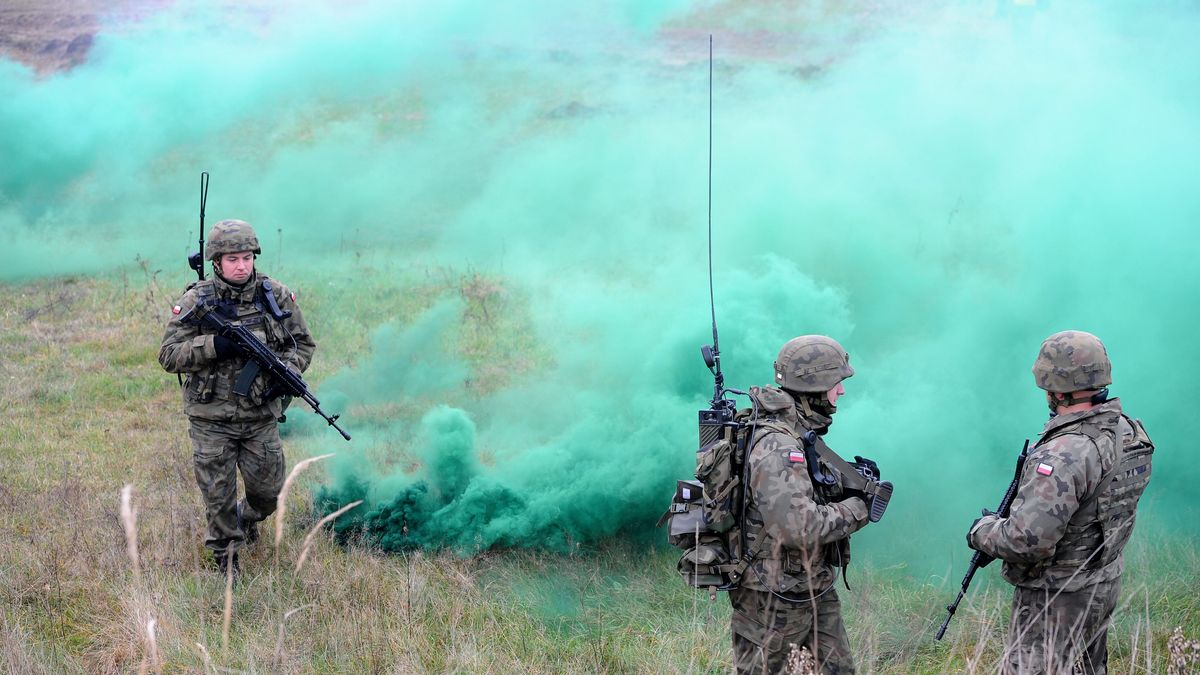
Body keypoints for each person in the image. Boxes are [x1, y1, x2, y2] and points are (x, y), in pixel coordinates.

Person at [968, 330, 1154, 675]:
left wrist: (982, 531)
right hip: (1102, 584)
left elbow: (1026, 542)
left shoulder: (1064, 453)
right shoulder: (1128, 431)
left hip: (1055, 598)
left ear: (1053, 386)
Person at [158, 219, 315, 577]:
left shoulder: (275, 295)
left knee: (269, 494)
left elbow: (303, 343)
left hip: (260, 415)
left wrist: (286, 371)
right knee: (218, 496)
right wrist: (215, 344)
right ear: (216, 262)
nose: (241, 265)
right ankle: (226, 562)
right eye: (232, 259)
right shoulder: (197, 301)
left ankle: (248, 517)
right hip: (211, 418)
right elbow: (168, 355)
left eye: (246, 257)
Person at [730, 335, 873, 674]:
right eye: (837, 383)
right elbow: (797, 528)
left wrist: (844, 486)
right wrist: (857, 508)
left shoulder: (797, 433)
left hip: (809, 585)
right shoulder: (778, 444)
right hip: (772, 596)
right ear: (815, 386)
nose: (842, 392)